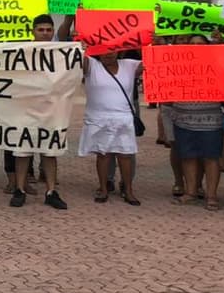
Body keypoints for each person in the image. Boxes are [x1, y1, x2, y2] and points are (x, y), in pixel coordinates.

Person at [9, 14, 67, 210]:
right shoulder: (22, 51)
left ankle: (51, 191)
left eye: (48, 30)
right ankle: (20, 189)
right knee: (22, 152)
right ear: (33, 31)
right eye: (40, 30)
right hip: (25, 109)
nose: (45, 33)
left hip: (52, 110)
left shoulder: (61, 52)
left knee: (50, 152)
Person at [80, 51, 143, 205]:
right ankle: (103, 188)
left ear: (119, 50)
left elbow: (152, 62)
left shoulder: (129, 64)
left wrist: (150, 43)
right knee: (103, 154)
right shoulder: (91, 65)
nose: (108, 54)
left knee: (125, 155)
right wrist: (79, 43)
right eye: (104, 51)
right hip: (99, 118)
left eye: (112, 50)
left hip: (123, 117)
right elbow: (76, 57)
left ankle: (128, 190)